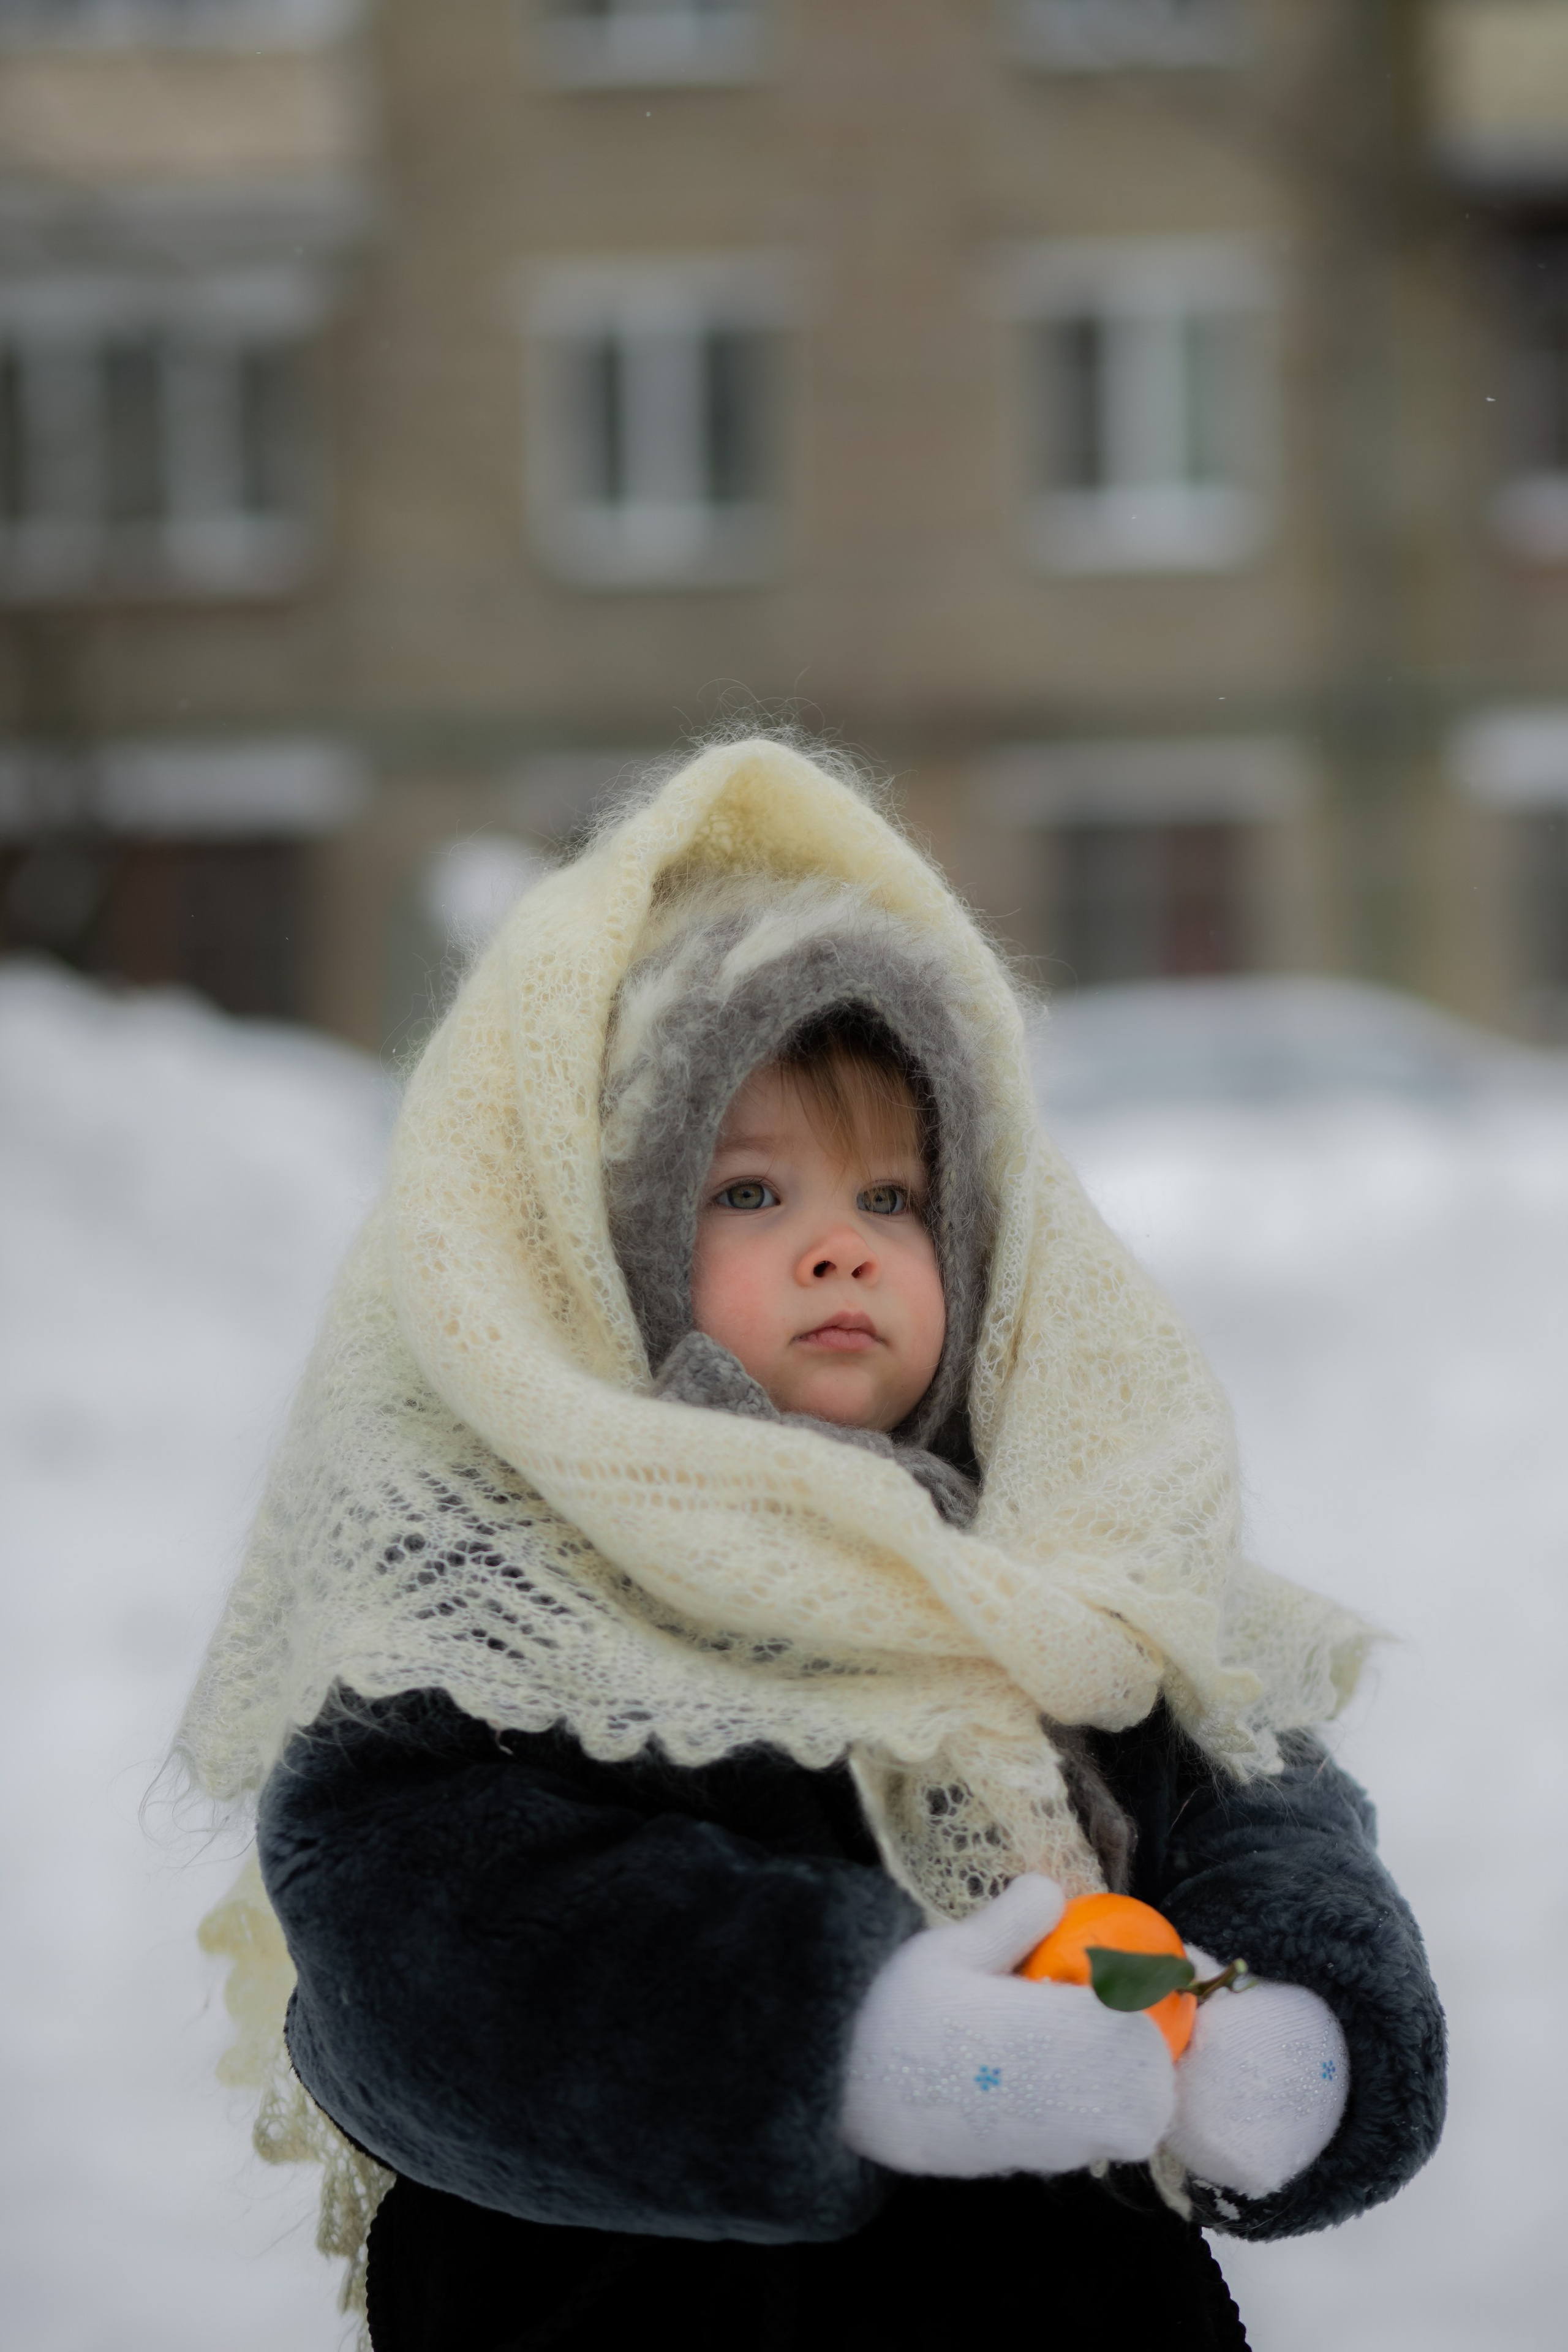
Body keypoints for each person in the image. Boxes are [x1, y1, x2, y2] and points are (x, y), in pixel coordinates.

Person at [180, 739, 1445, 2352]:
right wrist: (842, 2037)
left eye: (895, 1199)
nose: (842, 1245)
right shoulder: (494, 1579)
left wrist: (1302, 2033)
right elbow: (416, 1954)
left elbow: (1258, 1800)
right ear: (594, 1233)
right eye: (752, 1193)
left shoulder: (1061, 1547)